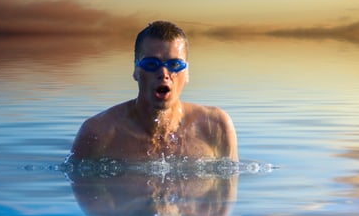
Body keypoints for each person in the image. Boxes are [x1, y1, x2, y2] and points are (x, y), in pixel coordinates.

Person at [70, 20, 238, 161]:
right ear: (136, 71)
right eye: (151, 64)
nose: (163, 74)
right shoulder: (98, 133)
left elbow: (226, 197)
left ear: (186, 73)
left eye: (174, 65)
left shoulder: (214, 126)